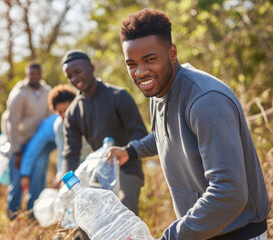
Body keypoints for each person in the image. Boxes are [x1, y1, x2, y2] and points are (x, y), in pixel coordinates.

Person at [107, 8, 269, 239]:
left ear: (172, 53)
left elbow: (229, 193)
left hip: (237, 233)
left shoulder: (206, 101)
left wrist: (170, 237)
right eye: (131, 64)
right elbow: (167, 134)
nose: (140, 72)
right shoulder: (159, 90)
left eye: (150, 59)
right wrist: (130, 152)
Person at [61, 50, 148, 216]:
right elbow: (70, 153)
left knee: (124, 217)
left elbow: (140, 134)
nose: (74, 79)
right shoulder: (73, 112)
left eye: (77, 72)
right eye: (69, 76)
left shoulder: (118, 96)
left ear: (92, 68)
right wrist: (68, 186)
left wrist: (125, 152)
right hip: (98, 175)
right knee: (88, 221)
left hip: (127, 169)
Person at [19, 84, 92, 216]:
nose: (65, 115)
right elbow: (63, 152)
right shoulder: (59, 126)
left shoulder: (87, 116)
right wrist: (61, 175)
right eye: (60, 112)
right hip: (75, 163)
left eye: (67, 110)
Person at [2, 61, 51, 220]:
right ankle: (13, 217)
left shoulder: (47, 92)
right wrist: (16, 150)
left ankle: (33, 217)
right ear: (27, 75)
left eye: (37, 74)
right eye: (32, 74)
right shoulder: (19, 93)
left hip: (39, 144)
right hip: (20, 145)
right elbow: (12, 123)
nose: (35, 77)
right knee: (17, 182)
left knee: (38, 181)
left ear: (41, 74)